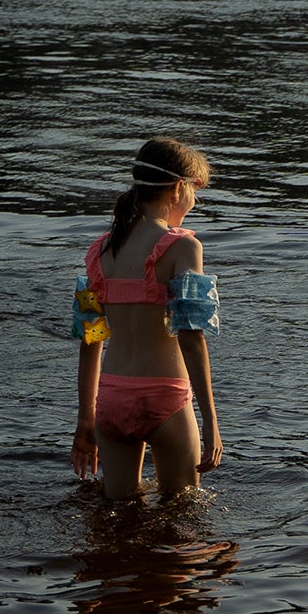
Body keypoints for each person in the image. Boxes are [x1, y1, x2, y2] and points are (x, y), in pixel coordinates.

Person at [70, 138, 223, 500]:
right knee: (184, 511)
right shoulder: (183, 246)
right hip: (164, 397)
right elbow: (190, 335)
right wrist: (211, 423)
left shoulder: (100, 250)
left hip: (110, 400)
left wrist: (85, 420)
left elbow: (90, 339)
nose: (194, 202)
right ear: (178, 188)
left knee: (120, 514)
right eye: (195, 191)